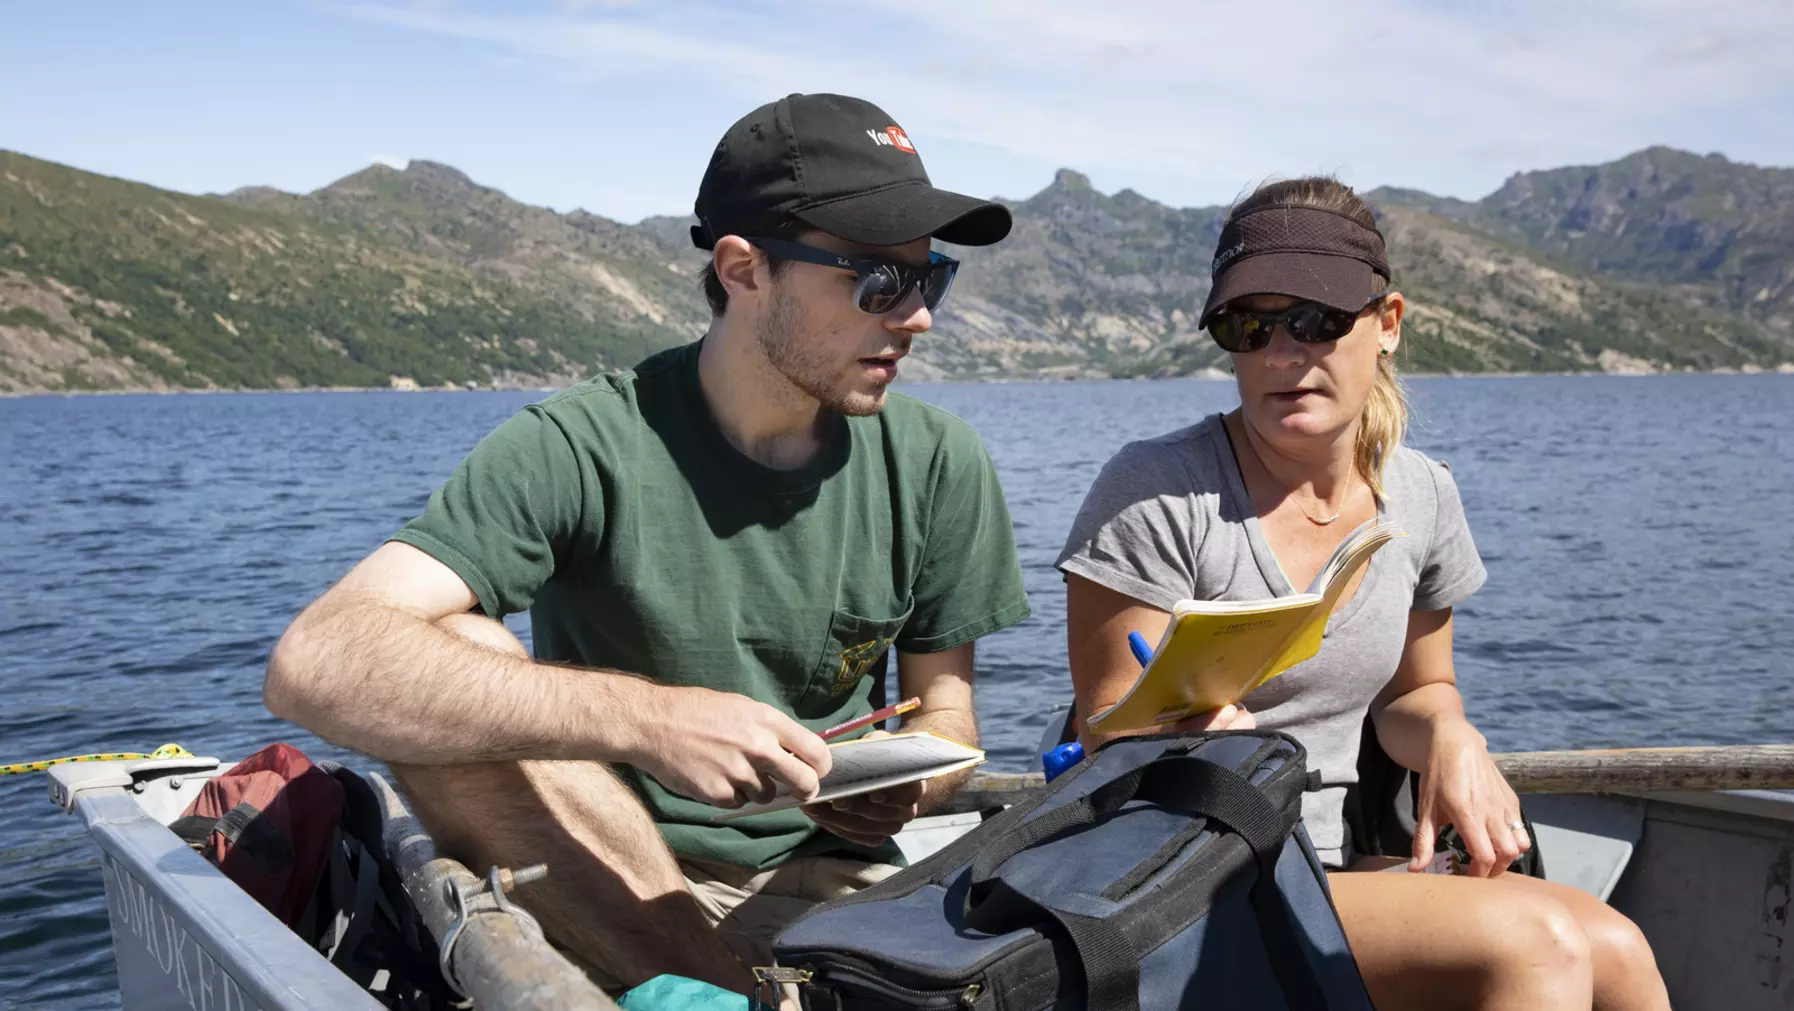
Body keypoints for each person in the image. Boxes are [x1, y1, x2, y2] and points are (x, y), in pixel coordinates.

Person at [263, 93, 1030, 997]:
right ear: (744, 269)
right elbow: (313, 660)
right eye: (877, 282)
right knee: (456, 645)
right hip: (610, 873)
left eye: (928, 277)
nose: (918, 318)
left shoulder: (939, 462)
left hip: (839, 880)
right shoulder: (583, 443)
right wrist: (651, 721)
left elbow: (947, 713)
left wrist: (914, 784)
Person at [1057, 177, 1670, 1010]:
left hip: (1326, 863)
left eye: (1315, 320)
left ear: (1386, 326)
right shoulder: (1156, 490)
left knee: (1619, 947)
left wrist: (1453, 735)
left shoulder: (1421, 496)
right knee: (1537, 942)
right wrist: (1196, 746)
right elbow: (1107, 733)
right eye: (1251, 326)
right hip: (1180, 874)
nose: (1282, 352)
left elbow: (1419, 689)